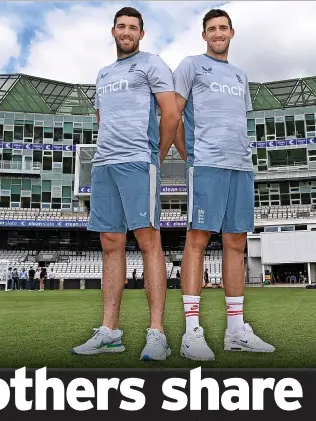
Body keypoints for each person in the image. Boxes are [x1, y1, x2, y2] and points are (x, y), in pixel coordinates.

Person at [72, 7, 180, 360]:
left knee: (148, 240)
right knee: (109, 242)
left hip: (138, 160)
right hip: (105, 163)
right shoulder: (103, 74)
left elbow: (171, 112)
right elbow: (103, 120)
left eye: (133, 27)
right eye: (122, 26)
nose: (127, 31)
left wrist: (157, 155)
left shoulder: (152, 64)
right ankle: (109, 332)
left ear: (141, 34)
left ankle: (157, 333)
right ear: (113, 30)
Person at [172, 8, 275, 361]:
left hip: (240, 166)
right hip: (208, 165)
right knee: (197, 241)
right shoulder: (190, 66)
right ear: (204, 35)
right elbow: (174, 116)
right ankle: (192, 332)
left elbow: (237, 123)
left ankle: (235, 330)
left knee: (236, 243)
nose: (217, 33)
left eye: (223, 28)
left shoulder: (240, 76)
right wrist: (191, 156)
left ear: (232, 33)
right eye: (211, 29)